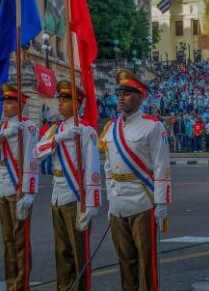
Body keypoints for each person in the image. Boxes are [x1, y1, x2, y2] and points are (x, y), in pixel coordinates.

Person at [100, 69, 172, 291]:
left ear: (141, 96)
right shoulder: (110, 128)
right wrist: (111, 198)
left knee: (146, 262)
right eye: (120, 92)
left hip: (143, 201)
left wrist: (161, 204)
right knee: (125, 262)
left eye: (128, 93)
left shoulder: (153, 126)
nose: (121, 97)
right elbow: (108, 167)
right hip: (119, 203)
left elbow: (162, 167)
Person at [36, 80, 101, 291]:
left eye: (66, 99)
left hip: (75, 197)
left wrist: (91, 203)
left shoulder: (85, 131)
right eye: (60, 99)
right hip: (57, 196)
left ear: (77, 103)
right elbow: (38, 152)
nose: (61, 103)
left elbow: (92, 169)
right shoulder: (56, 129)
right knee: (61, 251)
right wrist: (59, 138)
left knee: (79, 253)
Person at [0, 84, 39, 291]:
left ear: (20, 104)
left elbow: (32, 161)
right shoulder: (0, 128)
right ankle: (11, 284)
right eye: (4, 102)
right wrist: (3, 136)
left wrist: (29, 192)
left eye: (10, 102)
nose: (5, 106)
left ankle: (22, 284)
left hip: (19, 188)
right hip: (2, 188)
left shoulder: (29, 127)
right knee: (7, 240)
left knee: (20, 240)